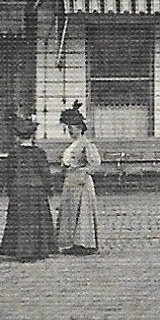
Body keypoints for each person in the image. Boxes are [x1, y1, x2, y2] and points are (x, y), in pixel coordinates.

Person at [0, 115, 58, 263]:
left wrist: (9, 189)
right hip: (36, 190)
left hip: (19, 190)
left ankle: (19, 250)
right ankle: (38, 250)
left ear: (18, 137)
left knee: (19, 220)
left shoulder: (14, 154)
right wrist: (50, 187)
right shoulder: (39, 153)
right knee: (37, 219)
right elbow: (45, 172)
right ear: (32, 136)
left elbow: (8, 173)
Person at [55, 102, 102, 255]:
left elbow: (95, 164)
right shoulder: (72, 145)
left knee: (82, 212)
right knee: (69, 212)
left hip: (81, 183)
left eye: (72, 128)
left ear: (80, 128)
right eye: (68, 127)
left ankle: (83, 243)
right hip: (70, 182)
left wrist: (82, 172)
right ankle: (70, 242)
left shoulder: (86, 144)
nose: (70, 130)